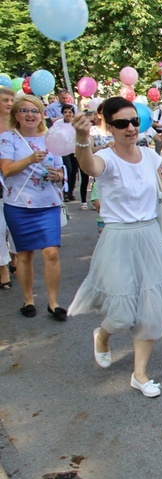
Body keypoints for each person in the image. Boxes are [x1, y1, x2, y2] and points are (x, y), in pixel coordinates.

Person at [68, 97, 162, 397]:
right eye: (122, 123)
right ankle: (103, 334)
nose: (130, 128)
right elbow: (89, 166)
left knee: (151, 309)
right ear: (109, 127)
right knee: (123, 309)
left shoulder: (151, 157)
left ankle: (140, 375)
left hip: (150, 236)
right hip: (118, 238)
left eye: (134, 121)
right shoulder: (106, 158)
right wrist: (81, 140)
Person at [0, 95, 67, 320]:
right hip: (18, 205)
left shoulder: (50, 138)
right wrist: (30, 159)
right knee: (24, 255)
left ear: (41, 114)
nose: (30, 114)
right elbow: (7, 170)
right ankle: (28, 300)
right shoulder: (8, 138)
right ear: (16, 115)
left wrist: (56, 175)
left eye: (35, 110)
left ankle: (53, 303)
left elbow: (61, 173)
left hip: (47, 204)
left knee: (52, 253)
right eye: (24, 110)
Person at [0, 86, 14, 289]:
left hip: (18, 180)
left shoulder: (18, 125)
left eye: (11, 99)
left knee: (13, 225)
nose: (9, 103)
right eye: (5, 100)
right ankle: (3, 266)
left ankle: (15, 255)